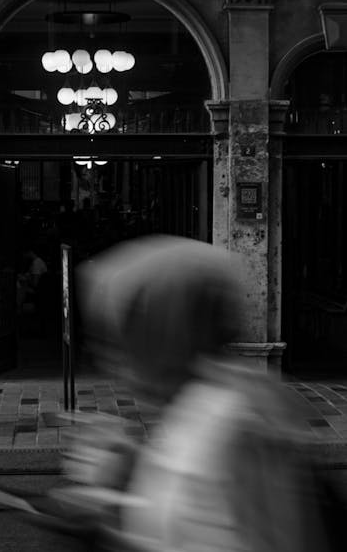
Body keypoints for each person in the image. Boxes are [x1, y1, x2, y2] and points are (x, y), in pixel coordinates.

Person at [53, 235, 330, 552]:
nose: (111, 361)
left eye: (123, 338)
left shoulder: (235, 422)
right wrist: (130, 474)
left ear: (163, 332)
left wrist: (105, 529)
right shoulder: (198, 407)